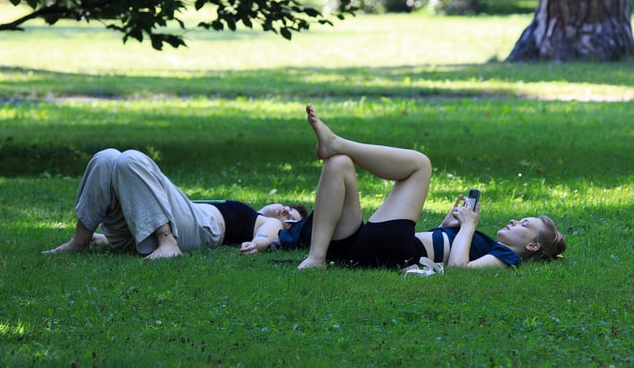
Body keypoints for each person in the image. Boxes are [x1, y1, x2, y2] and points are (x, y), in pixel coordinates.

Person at [297, 104, 566, 270]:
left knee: (420, 165)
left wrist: (468, 227)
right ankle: (316, 257)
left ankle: (338, 143)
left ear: (532, 246)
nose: (514, 221)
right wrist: (445, 228)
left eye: (523, 224)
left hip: (395, 250)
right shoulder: (489, 245)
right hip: (363, 246)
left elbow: (460, 269)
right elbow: (447, 249)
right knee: (339, 164)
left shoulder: (506, 256)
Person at [44, 148, 308, 259]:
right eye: (286, 207)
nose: (284, 212)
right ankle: (81, 240)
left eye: (290, 218)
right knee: (106, 157)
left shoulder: (266, 221)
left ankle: (168, 244)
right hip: (140, 232)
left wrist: (257, 244)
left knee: (130, 160)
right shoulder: (252, 209)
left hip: (199, 227)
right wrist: (105, 239)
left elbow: (269, 233)